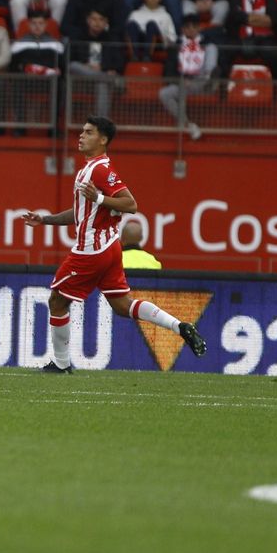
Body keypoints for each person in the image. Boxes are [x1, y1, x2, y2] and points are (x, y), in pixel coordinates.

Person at [19, 118, 206, 372]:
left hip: (91, 250)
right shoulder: (90, 169)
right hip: (108, 247)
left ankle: (61, 364)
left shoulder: (100, 170)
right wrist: (45, 220)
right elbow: (80, 211)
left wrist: (98, 196)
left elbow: (131, 205)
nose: (81, 136)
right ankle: (179, 326)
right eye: (82, 132)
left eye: (88, 132)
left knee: (57, 301)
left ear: (103, 139)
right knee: (121, 305)